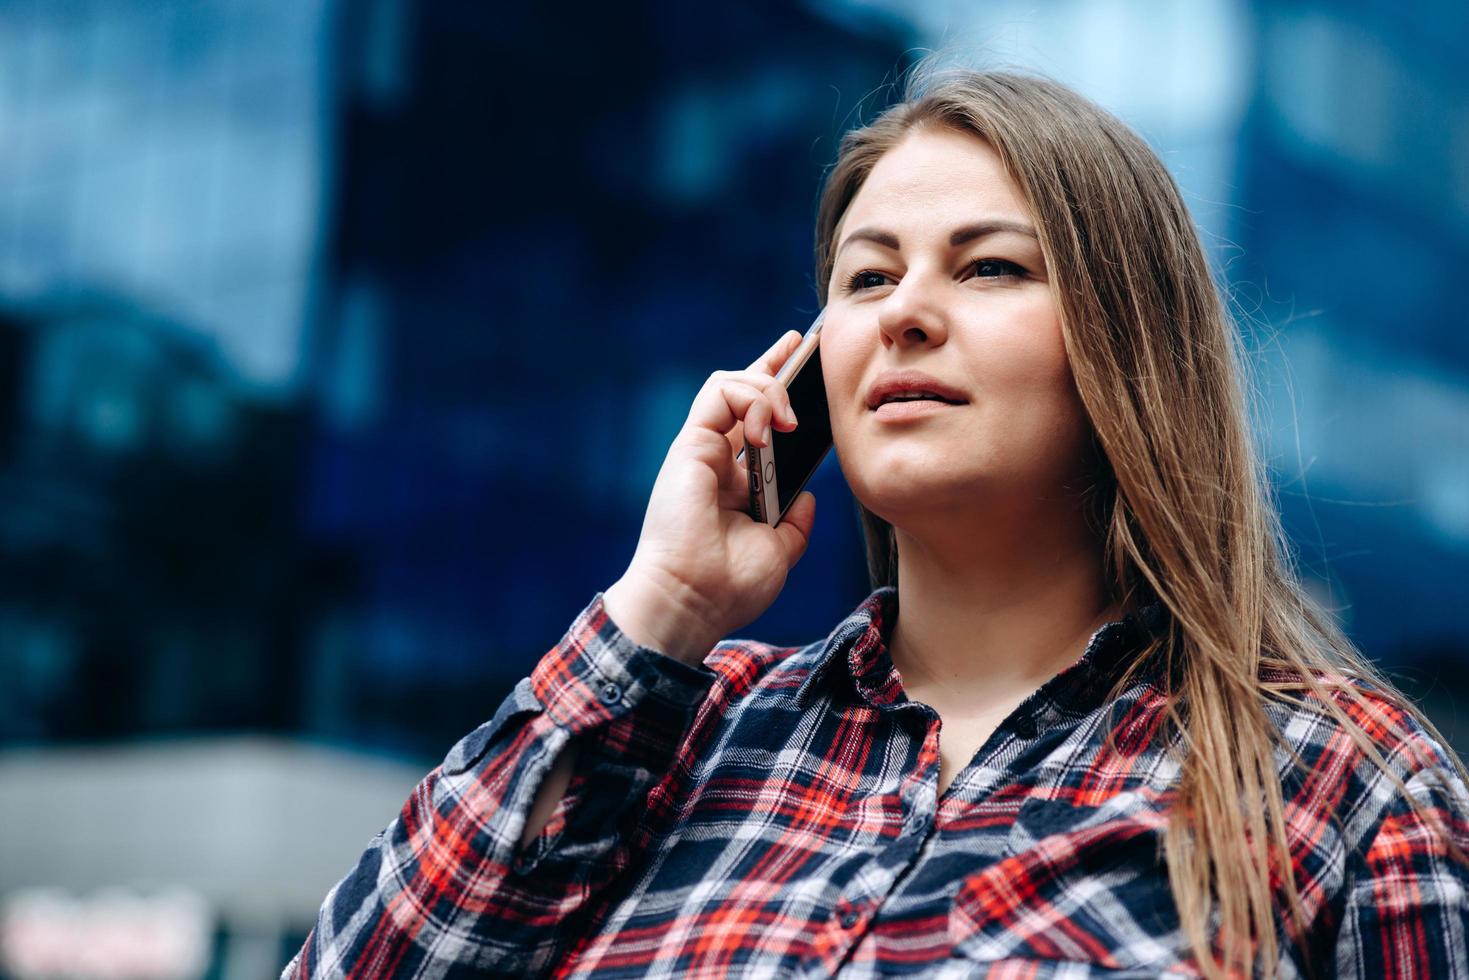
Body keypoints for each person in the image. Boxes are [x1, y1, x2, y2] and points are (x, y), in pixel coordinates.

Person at [284, 64, 1469, 979]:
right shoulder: (681, 728)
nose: (903, 312)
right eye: (864, 277)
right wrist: (664, 606)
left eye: (988, 267)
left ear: (1123, 340)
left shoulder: (1342, 779)